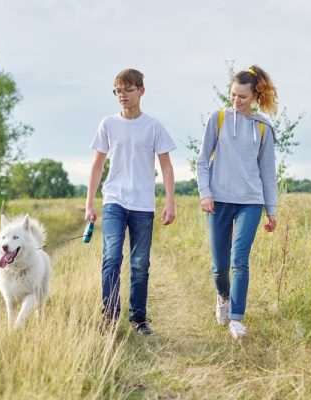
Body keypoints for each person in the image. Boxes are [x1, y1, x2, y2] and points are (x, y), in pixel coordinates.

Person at [85, 68, 176, 335]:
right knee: (111, 257)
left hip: (143, 204)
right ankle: (110, 316)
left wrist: (170, 203)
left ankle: (138, 319)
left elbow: (167, 167)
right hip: (114, 200)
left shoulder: (154, 126)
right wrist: (90, 204)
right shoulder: (108, 124)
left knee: (139, 264)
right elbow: (97, 165)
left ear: (141, 91)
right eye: (118, 91)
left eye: (127, 89)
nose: (122, 95)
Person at [196, 65, 278, 339]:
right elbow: (202, 161)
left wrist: (271, 210)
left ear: (255, 96)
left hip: (250, 202)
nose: (236, 101)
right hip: (218, 201)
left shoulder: (264, 128)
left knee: (239, 260)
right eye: (233, 95)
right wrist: (205, 193)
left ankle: (236, 319)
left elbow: (267, 172)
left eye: (242, 96)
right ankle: (223, 297)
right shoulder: (217, 119)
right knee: (219, 266)